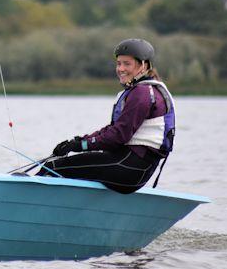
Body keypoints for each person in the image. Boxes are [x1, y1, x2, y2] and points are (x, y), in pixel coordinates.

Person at [36, 38, 176, 193]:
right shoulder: (145, 89)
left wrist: (80, 146)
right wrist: (78, 141)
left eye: (127, 64)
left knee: (52, 167)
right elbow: (112, 130)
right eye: (118, 63)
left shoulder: (142, 93)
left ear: (144, 65)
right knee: (72, 169)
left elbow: (118, 136)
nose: (121, 68)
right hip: (132, 167)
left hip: (129, 168)